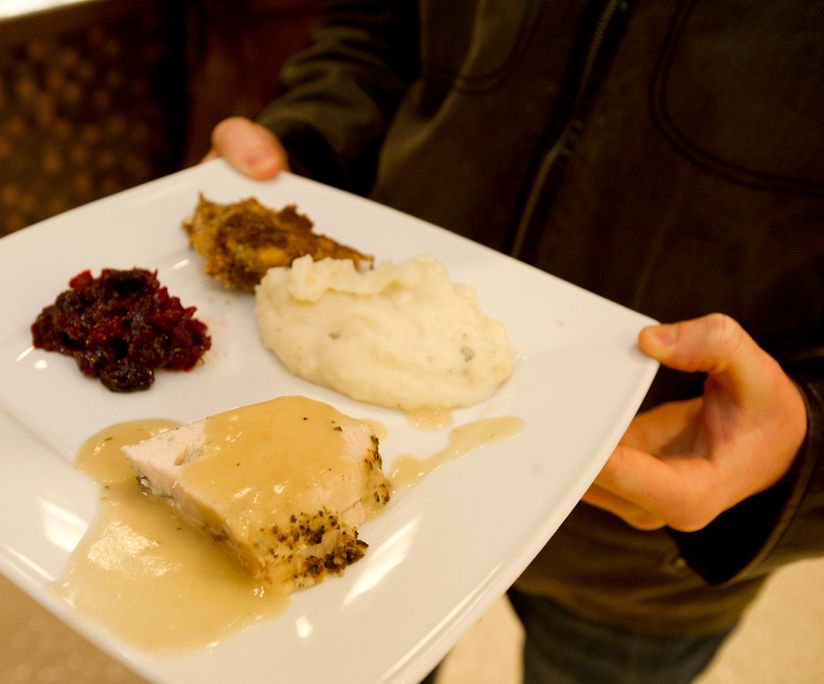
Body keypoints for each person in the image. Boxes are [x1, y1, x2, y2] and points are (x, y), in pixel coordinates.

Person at [199, 1, 824, 682]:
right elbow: (376, 28)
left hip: (650, 545)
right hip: (366, 471)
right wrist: (309, 145)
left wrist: (806, 452)